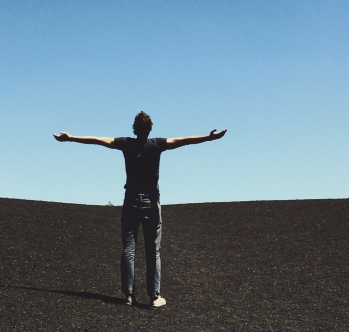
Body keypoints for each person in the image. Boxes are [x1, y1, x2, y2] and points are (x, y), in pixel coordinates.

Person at [53, 111, 227, 308]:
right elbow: (183, 141)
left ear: (134, 129)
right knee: (153, 249)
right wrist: (208, 138)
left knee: (129, 248)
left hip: (131, 201)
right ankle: (154, 297)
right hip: (151, 202)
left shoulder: (127, 144)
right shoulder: (156, 145)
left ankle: (128, 295)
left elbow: (98, 140)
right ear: (150, 128)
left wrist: (71, 138)